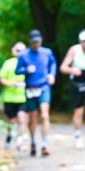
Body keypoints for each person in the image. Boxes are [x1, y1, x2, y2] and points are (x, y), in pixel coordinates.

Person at [16, 29, 57, 157]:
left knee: (45, 115)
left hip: (44, 86)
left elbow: (53, 64)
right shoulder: (23, 55)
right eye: (34, 42)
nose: (36, 44)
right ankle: (33, 142)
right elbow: (17, 70)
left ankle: (44, 144)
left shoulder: (47, 52)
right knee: (32, 117)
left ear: (41, 41)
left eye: (38, 42)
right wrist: (26, 70)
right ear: (30, 41)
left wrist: (52, 75)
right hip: (30, 88)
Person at [0, 42, 29, 150]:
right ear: (13, 51)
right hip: (9, 97)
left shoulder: (27, 63)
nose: (20, 53)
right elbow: (1, 78)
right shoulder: (8, 63)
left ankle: (21, 142)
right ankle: (9, 137)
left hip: (23, 97)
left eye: (22, 50)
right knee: (12, 121)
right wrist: (12, 84)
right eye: (18, 50)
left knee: (22, 119)